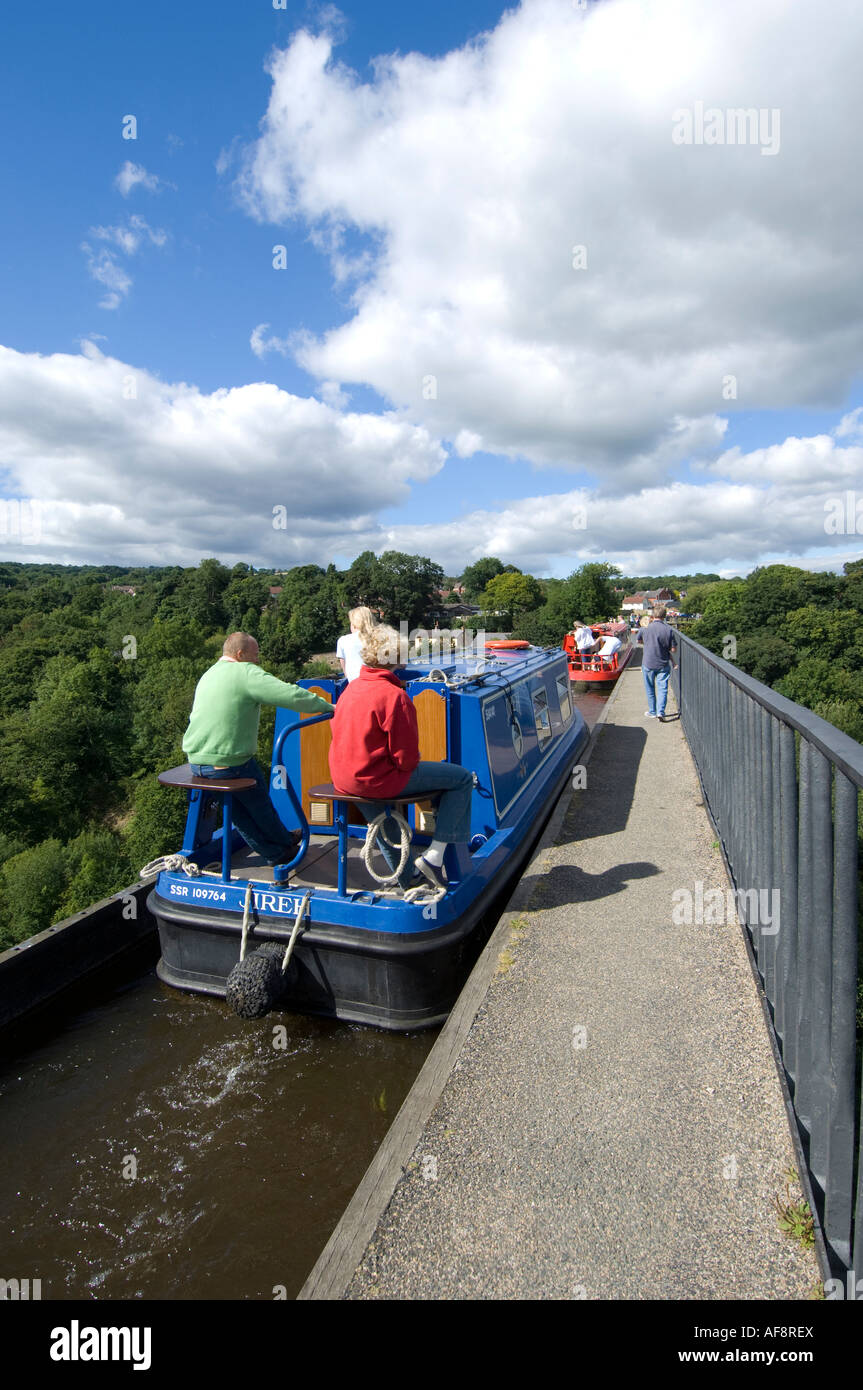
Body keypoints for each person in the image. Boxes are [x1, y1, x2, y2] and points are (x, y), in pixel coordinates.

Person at [328, 624, 474, 893]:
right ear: (398, 658)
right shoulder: (395, 696)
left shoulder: (352, 689)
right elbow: (406, 760)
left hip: (343, 777)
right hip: (373, 780)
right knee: (462, 779)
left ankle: (408, 879)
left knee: (382, 820)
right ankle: (435, 856)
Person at [182, 631, 333, 870]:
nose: (258, 661)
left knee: (239, 813)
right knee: (258, 803)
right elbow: (289, 695)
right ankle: (281, 851)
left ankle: (280, 845)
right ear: (240, 654)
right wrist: (328, 706)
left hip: (197, 760)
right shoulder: (244, 672)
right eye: (255, 655)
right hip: (228, 761)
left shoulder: (209, 674)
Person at [637, 607, 678, 719]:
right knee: (662, 688)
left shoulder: (645, 628)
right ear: (664, 616)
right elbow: (673, 650)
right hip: (663, 663)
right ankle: (661, 712)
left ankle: (652, 711)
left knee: (650, 688)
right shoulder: (668, 630)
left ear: (652, 616)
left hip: (648, 662)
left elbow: (639, 641)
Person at [336, 606, 377, 682]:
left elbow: (345, 670)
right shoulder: (380, 638)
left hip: (355, 685)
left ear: (354, 624)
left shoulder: (343, 640)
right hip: (377, 684)